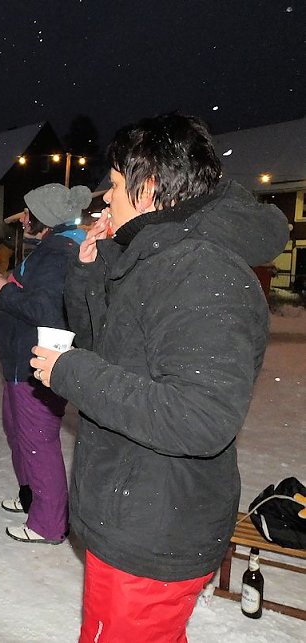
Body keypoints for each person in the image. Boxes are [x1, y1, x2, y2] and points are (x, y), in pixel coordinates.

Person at [30, 113, 289, 641]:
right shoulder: (158, 254)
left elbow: (200, 418)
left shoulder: (203, 271)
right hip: (132, 512)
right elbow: (110, 345)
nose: (104, 198)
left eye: (117, 185)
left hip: (158, 528)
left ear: (148, 190)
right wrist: (88, 268)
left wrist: (73, 373)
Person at [0, 183, 89, 544]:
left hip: (35, 365)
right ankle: (32, 499)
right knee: (20, 435)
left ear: (43, 217)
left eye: (28, 212)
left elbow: (45, 311)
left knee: (37, 443)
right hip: (20, 363)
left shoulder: (58, 253)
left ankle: (48, 522)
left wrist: (3, 289)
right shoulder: (51, 248)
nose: (23, 218)